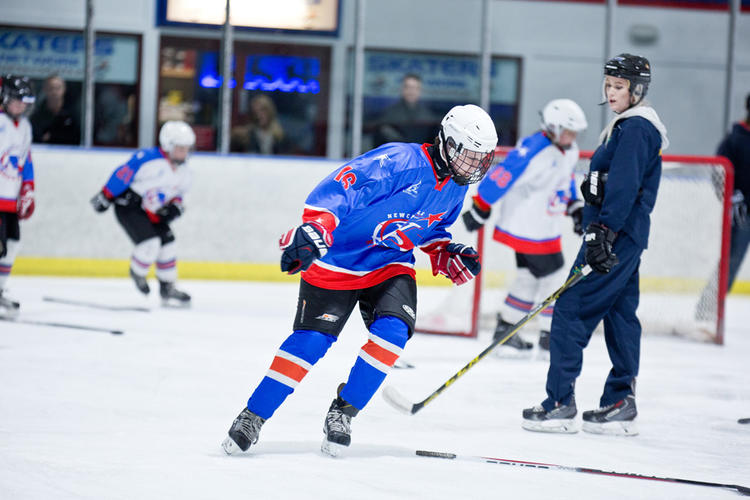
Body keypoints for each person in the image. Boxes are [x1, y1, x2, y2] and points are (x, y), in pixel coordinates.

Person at [222, 104, 498, 457]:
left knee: (393, 333)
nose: (474, 166)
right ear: (447, 142)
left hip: (389, 263)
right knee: (310, 345)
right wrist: (318, 225)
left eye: (481, 159)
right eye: (469, 156)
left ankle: (343, 412)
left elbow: (429, 229)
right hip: (339, 261)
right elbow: (344, 184)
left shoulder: (456, 188)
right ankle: (253, 415)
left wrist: (445, 252)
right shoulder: (401, 161)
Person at [521, 54, 669, 436]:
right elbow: (611, 179)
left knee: (571, 308)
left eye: (619, 86)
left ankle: (559, 402)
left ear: (637, 90)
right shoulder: (628, 125)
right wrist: (592, 193)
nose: (611, 92)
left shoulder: (636, 127)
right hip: (623, 235)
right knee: (620, 315)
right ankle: (620, 401)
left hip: (614, 236)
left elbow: (625, 184)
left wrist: (602, 230)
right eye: (608, 84)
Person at [462, 99, 588, 357]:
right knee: (554, 279)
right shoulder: (535, 148)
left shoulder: (569, 149)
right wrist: (481, 203)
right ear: (552, 126)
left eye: (574, 132)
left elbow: (566, 181)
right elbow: (504, 173)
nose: (572, 136)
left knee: (529, 278)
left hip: (545, 227)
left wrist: (574, 206)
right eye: (567, 130)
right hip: (528, 228)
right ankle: (550, 337)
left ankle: (505, 332)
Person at [89, 121, 196, 307]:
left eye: (186, 149)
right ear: (167, 145)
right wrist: (106, 195)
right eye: (180, 148)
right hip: (130, 206)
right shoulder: (148, 158)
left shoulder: (185, 171)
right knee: (151, 243)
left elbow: (179, 195)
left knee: (168, 244)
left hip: (154, 212)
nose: (184, 153)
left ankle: (167, 287)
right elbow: (123, 174)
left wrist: (174, 208)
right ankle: (138, 271)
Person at [0, 75, 36, 318]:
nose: (21, 106)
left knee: (12, 245)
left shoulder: (25, 126)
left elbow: (26, 159)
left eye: (25, 102)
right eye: (17, 101)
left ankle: (1, 290)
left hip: (10, 199)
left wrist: (28, 188)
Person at [374, 73, 440, 147]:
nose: (411, 91)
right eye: (408, 87)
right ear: (402, 89)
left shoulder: (429, 117)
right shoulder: (389, 114)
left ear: (420, 91)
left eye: (415, 88)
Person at [30, 75, 80, 145]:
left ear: (64, 89)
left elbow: (78, 138)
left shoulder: (73, 113)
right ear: (44, 89)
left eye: (58, 88)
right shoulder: (37, 116)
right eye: (51, 88)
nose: (54, 91)